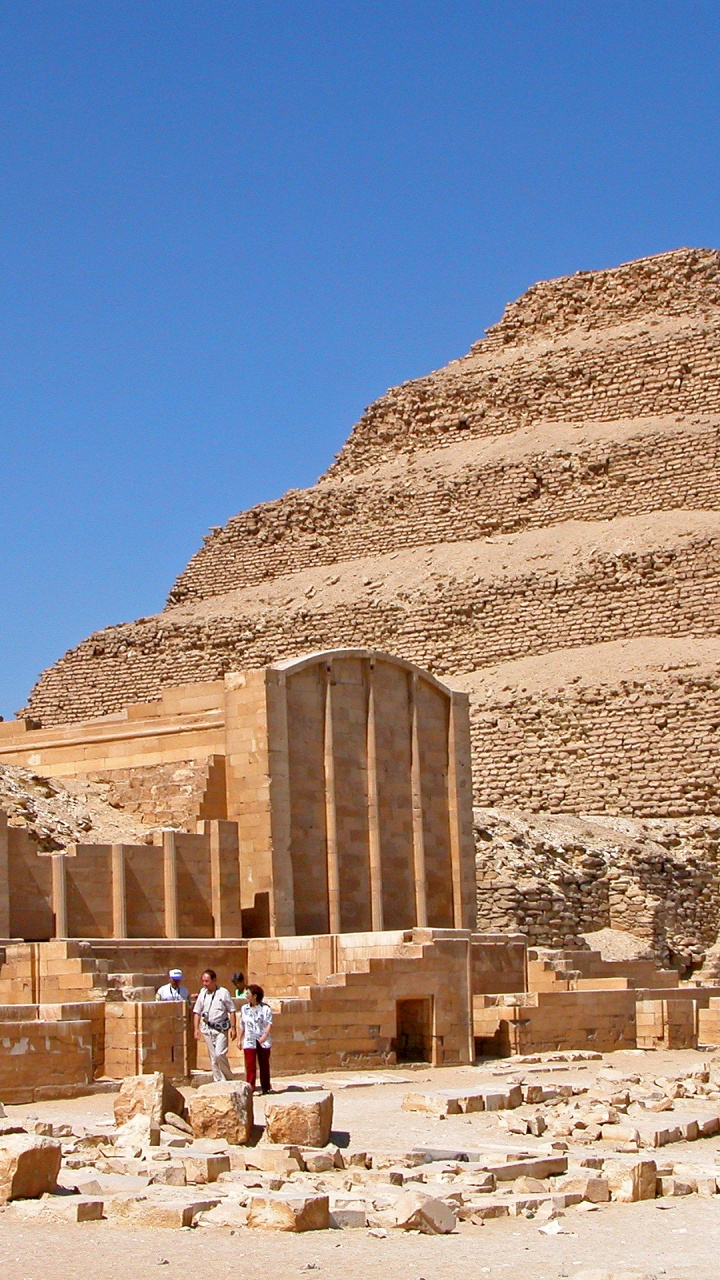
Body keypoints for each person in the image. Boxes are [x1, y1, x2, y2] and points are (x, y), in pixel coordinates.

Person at [193, 968, 237, 1081]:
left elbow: (231, 1010)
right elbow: (197, 1012)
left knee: (219, 1054)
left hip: (221, 1028)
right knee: (213, 1058)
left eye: (207, 981)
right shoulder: (202, 993)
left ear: (214, 980)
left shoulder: (223, 992)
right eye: (203, 981)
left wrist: (233, 1028)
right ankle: (218, 1080)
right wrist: (196, 1029)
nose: (205, 984)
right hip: (207, 1028)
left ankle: (228, 1077)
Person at [240, 983, 272, 1094]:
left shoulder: (265, 1008)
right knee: (250, 1064)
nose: (245, 995)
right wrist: (240, 1039)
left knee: (264, 1063)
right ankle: (251, 1086)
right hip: (249, 1039)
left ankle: (266, 1086)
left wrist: (265, 1035)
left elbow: (269, 1023)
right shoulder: (244, 1009)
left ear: (254, 995)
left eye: (248, 993)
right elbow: (243, 1024)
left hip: (262, 1039)